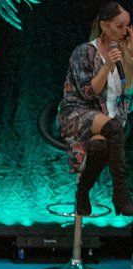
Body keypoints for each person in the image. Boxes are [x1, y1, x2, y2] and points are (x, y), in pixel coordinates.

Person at [59, 2, 133, 216]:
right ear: (104, 26)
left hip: (106, 120)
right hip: (77, 114)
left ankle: (82, 192)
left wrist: (130, 57)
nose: (125, 31)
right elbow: (88, 94)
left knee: (101, 148)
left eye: (128, 27)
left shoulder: (122, 53)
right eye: (120, 26)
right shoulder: (84, 52)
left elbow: (128, 94)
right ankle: (121, 196)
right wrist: (107, 66)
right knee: (114, 130)